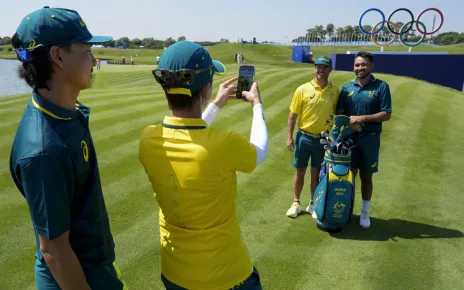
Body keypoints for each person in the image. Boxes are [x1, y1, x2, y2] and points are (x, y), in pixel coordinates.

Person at [9, 6, 127, 290]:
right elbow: (54, 250)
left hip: (94, 267)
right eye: (86, 51)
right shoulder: (44, 151)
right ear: (58, 56)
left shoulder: (65, 111)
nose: (94, 60)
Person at [139, 40, 268, 290]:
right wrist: (257, 105)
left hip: (174, 274)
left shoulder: (148, 138)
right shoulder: (224, 143)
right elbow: (259, 152)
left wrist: (215, 105)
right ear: (207, 87)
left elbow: (189, 135)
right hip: (227, 277)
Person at [335, 51, 392, 229]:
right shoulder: (346, 88)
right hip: (349, 139)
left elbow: (386, 114)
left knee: (366, 177)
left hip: (370, 139)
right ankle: (347, 208)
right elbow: (340, 112)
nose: (360, 68)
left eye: (363, 65)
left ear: (371, 66)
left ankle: (365, 211)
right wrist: (350, 124)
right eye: (357, 65)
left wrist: (362, 119)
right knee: (348, 176)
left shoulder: (381, 86)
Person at [286, 56, 340, 218]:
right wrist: (289, 137)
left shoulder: (335, 91)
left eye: (324, 67)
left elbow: (338, 112)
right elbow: (292, 115)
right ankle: (296, 202)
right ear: (314, 68)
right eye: (318, 67)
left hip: (323, 139)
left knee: (316, 173)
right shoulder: (302, 89)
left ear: (330, 69)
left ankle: (313, 203)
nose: (321, 70)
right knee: (300, 171)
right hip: (304, 137)